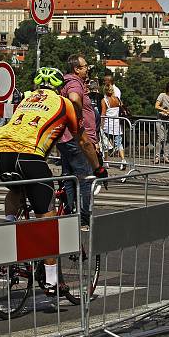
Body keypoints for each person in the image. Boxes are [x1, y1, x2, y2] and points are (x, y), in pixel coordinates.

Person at [0, 67, 102, 294]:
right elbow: (83, 142)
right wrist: (98, 168)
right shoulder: (64, 104)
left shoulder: (26, 100)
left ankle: (8, 228)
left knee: (16, 191)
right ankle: (51, 281)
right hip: (29, 157)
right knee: (48, 220)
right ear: (59, 88)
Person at [58, 54, 99, 225]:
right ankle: (84, 217)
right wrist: (80, 116)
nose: (87, 68)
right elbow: (74, 99)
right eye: (85, 66)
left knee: (68, 176)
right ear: (76, 69)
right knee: (85, 178)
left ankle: (68, 213)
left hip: (65, 138)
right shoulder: (74, 83)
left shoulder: (66, 83)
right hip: (77, 138)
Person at [101, 84, 126, 170]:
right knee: (119, 143)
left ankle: (106, 161)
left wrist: (101, 125)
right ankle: (123, 160)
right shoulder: (117, 100)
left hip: (107, 124)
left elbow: (103, 113)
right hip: (117, 124)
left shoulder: (104, 100)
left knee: (105, 143)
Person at [154, 81, 169, 164]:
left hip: (168, 120)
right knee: (160, 138)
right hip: (161, 119)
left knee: (168, 139)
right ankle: (157, 157)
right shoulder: (162, 95)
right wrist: (165, 110)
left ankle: (166, 156)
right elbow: (156, 106)